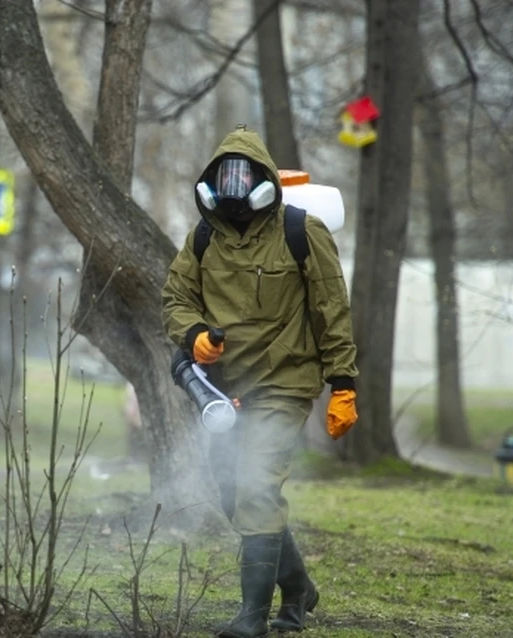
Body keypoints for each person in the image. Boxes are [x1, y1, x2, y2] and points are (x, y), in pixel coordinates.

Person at [161, 126, 359, 638]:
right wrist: (195, 335)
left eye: (240, 180)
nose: (232, 194)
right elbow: (176, 298)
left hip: (286, 384)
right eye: (221, 182)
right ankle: (297, 589)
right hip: (227, 391)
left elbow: (331, 308)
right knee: (234, 493)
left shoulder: (301, 231)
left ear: (263, 183)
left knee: (255, 485)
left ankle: (252, 619)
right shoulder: (202, 238)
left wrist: (343, 383)